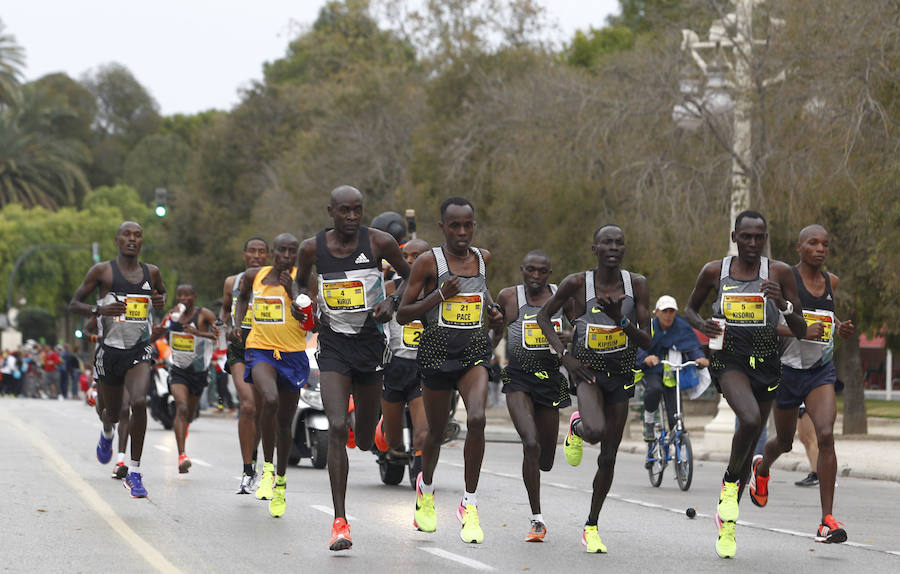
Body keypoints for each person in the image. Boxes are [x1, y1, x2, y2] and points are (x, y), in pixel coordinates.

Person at [293, 186, 410, 550]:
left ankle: (373, 430)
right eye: (344, 211)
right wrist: (303, 301)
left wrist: (392, 301)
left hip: (370, 343)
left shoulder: (380, 243)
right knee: (337, 425)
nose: (351, 217)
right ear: (330, 211)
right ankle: (340, 521)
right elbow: (299, 282)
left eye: (357, 210)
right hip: (334, 345)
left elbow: (412, 278)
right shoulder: (312, 248)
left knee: (360, 439)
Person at [685, 210, 806, 559]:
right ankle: (729, 481)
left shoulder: (780, 272)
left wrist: (782, 303)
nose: (753, 243)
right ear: (734, 236)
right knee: (751, 420)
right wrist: (704, 325)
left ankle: (728, 524)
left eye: (759, 237)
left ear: (765, 239)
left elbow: (799, 329)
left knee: (750, 439)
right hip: (730, 359)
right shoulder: (715, 271)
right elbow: (689, 310)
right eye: (746, 236)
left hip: (767, 360)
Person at [537, 224, 651, 553]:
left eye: (618, 242)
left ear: (623, 249)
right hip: (586, 371)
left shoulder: (637, 285)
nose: (613, 248)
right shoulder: (577, 283)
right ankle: (578, 425)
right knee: (596, 430)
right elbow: (544, 318)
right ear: (595, 248)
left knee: (609, 458)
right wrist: (564, 357)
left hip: (620, 373)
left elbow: (647, 340)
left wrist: (622, 320)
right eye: (606, 243)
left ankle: (591, 525)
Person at [397, 197, 503, 545]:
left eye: (468, 225)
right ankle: (425, 491)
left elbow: (479, 293)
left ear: (474, 225)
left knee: (477, 419)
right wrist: (439, 296)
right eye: (454, 225)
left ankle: (469, 504)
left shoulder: (482, 259)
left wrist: (493, 311)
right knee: (435, 433)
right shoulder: (429, 263)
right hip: (437, 354)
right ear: (442, 227)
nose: (462, 232)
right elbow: (403, 313)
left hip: (473, 351)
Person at [749, 224, 854, 544]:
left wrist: (838, 327)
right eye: (813, 243)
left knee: (825, 435)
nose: (820, 249)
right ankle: (762, 469)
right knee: (783, 442)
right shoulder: (784, 279)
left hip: (819, 371)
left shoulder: (831, 282)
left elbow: (823, 315)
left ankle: (827, 521)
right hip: (786, 371)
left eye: (825, 244)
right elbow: (763, 325)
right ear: (799, 247)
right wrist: (800, 331)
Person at [69, 221, 167, 498]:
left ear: (142, 241)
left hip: (139, 350)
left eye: (137, 235)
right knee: (112, 414)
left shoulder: (152, 272)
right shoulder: (102, 272)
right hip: (109, 352)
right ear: (117, 240)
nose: (132, 239)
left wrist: (160, 300)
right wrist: (99, 308)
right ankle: (108, 432)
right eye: (127, 235)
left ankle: (135, 472)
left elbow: (162, 293)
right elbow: (74, 303)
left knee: (138, 402)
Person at [495, 250, 574, 542]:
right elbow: (494, 336)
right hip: (517, 379)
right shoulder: (509, 297)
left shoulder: (562, 297)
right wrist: (491, 332)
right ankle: (537, 519)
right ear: (522, 270)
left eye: (542, 272)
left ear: (550, 274)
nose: (536, 277)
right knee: (530, 442)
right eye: (531, 271)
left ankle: (575, 425)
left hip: (550, 381)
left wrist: (571, 338)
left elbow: (580, 329)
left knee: (546, 461)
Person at [234, 233, 310, 518]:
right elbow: (242, 298)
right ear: (273, 253)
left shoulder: (303, 279)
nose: (287, 256)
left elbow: (309, 318)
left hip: (293, 354)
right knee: (269, 398)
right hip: (260, 349)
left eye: (292, 251)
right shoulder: (255, 276)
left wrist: (293, 293)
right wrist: (237, 323)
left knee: (284, 424)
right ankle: (265, 468)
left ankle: (280, 481)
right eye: (282, 251)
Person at [377, 239, 430, 475]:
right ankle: (388, 440)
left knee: (422, 435)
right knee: (393, 439)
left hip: (424, 368)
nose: (409, 261)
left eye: (416, 255)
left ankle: (422, 487)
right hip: (394, 367)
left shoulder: (437, 289)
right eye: (405, 256)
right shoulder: (390, 289)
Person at [221, 237, 269, 493]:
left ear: (267, 256)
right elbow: (225, 310)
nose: (256, 255)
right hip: (240, 349)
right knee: (248, 405)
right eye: (252, 250)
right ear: (244, 254)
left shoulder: (274, 281)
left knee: (260, 411)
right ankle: (247, 469)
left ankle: (253, 453)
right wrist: (227, 328)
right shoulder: (233, 282)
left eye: (262, 252)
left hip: (265, 348)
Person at [162, 284, 217, 474]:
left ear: (194, 296)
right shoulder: (173, 315)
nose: (183, 299)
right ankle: (182, 455)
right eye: (180, 296)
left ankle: (184, 427)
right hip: (178, 370)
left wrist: (199, 333)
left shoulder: (204, 315)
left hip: (199, 372)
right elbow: (160, 332)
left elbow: (220, 335)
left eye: (187, 295)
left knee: (190, 415)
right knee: (182, 408)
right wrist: (167, 320)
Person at [639, 295, 709, 442]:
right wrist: (646, 358)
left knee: (675, 415)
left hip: (672, 371)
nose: (668, 315)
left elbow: (692, 346)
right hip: (652, 370)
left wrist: (699, 357)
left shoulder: (682, 326)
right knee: (654, 389)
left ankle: (680, 446)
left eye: (671, 311)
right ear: (656, 312)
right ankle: (649, 421)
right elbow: (638, 346)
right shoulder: (649, 326)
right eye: (665, 311)